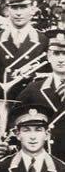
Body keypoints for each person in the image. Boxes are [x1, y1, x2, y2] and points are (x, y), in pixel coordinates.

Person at [0, 0, 49, 99]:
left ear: (33, 9)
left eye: (24, 7)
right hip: (3, 100)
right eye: (14, 7)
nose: (18, 13)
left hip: (32, 101)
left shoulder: (43, 40)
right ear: (8, 9)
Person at [16, 29, 65, 161]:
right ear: (49, 56)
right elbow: (15, 120)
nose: (61, 59)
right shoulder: (34, 88)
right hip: (44, 164)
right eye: (56, 53)